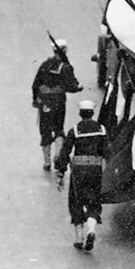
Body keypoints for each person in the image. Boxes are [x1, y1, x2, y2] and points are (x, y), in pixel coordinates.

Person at [54, 99, 107, 251]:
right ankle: (91, 230)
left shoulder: (75, 130)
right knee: (93, 200)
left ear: (80, 114)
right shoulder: (102, 130)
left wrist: (61, 172)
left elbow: (65, 153)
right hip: (95, 169)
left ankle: (79, 237)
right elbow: (106, 151)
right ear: (92, 113)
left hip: (78, 170)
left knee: (76, 201)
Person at [31, 39, 81, 170]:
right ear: (65, 51)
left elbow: (35, 84)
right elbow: (71, 86)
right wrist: (78, 87)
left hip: (44, 102)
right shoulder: (65, 67)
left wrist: (35, 100)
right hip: (58, 102)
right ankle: (57, 156)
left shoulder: (45, 65)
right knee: (58, 128)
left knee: (45, 130)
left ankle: (47, 161)